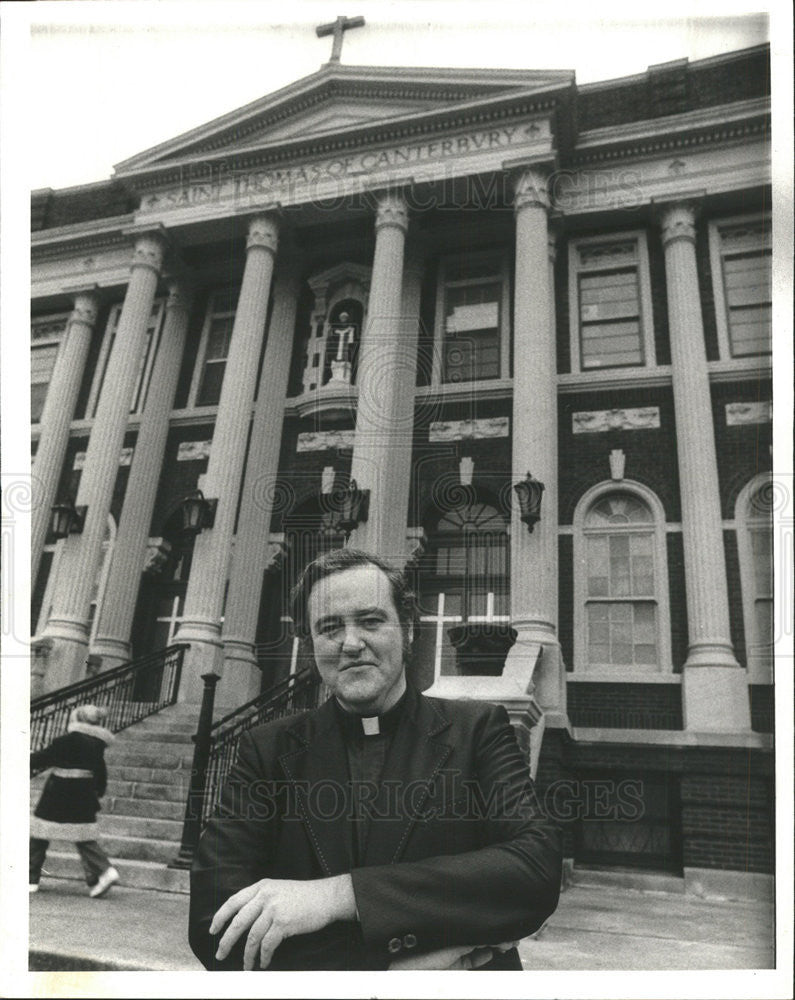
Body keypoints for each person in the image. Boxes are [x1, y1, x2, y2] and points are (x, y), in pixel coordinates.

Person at [189, 548, 561, 971]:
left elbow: (535, 871)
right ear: (310, 645)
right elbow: (214, 925)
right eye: (330, 627)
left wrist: (338, 896)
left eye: (370, 620)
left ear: (407, 630)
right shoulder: (267, 749)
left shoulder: (478, 731)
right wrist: (390, 973)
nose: (351, 643)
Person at [29, 704, 120, 898]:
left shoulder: (66, 740)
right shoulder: (97, 744)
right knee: (83, 836)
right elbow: (100, 771)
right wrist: (97, 792)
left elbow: (44, 757)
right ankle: (102, 871)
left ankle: (30, 877)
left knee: (39, 835)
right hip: (84, 793)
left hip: (58, 791)